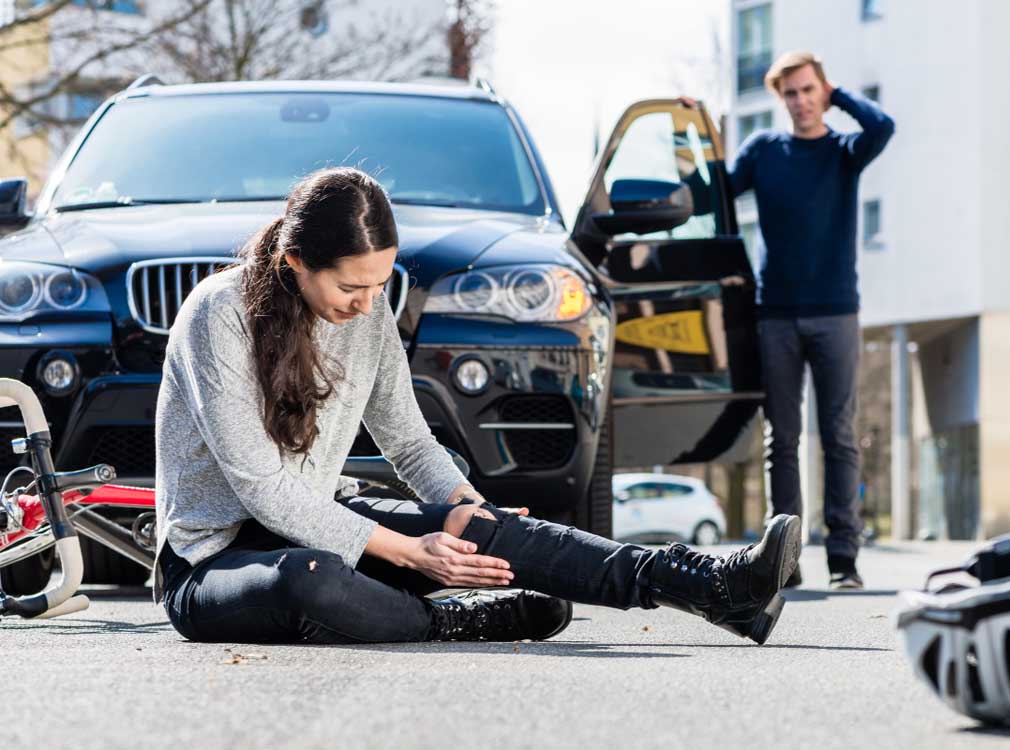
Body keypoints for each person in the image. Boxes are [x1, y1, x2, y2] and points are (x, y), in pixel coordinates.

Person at [152, 167, 803, 646]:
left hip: (319, 519)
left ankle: (711, 586)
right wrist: (412, 554)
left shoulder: (367, 311)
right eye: (351, 285)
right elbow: (262, 489)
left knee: (473, 526)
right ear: (296, 260)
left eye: (381, 283)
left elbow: (408, 442)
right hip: (213, 565)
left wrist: (472, 510)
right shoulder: (219, 314)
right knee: (308, 577)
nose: (366, 301)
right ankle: (451, 619)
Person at [728, 52, 894, 589]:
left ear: (822, 90)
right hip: (775, 313)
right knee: (783, 440)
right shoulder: (764, 152)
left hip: (836, 314)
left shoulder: (845, 152)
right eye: (791, 94)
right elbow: (717, 189)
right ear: (782, 101)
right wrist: (695, 126)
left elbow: (883, 125)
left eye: (808, 90)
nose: (800, 102)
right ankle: (785, 558)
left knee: (840, 436)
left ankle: (844, 559)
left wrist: (838, 91)